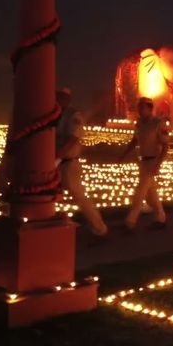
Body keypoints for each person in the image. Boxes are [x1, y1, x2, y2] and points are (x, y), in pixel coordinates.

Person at [55, 87, 109, 237]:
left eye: (62, 97)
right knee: (52, 194)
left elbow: (74, 138)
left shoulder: (73, 116)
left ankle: (100, 229)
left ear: (67, 99)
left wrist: (57, 157)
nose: (58, 100)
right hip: (59, 162)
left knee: (80, 197)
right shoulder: (56, 115)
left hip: (68, 163)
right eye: (57, 97)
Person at [119, 97, 169, 231]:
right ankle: (161, 218)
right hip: (143, 161)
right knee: (150, 195)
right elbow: (135, 140)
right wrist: (123, 155)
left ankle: (130, 222)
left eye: (142, 107)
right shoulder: (140, 123)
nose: (139, 110)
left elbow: (165, 146)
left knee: (140, 192)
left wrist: (158, 164)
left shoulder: (158, 123)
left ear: (150, 108)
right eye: (139, 107)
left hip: (153, 161)